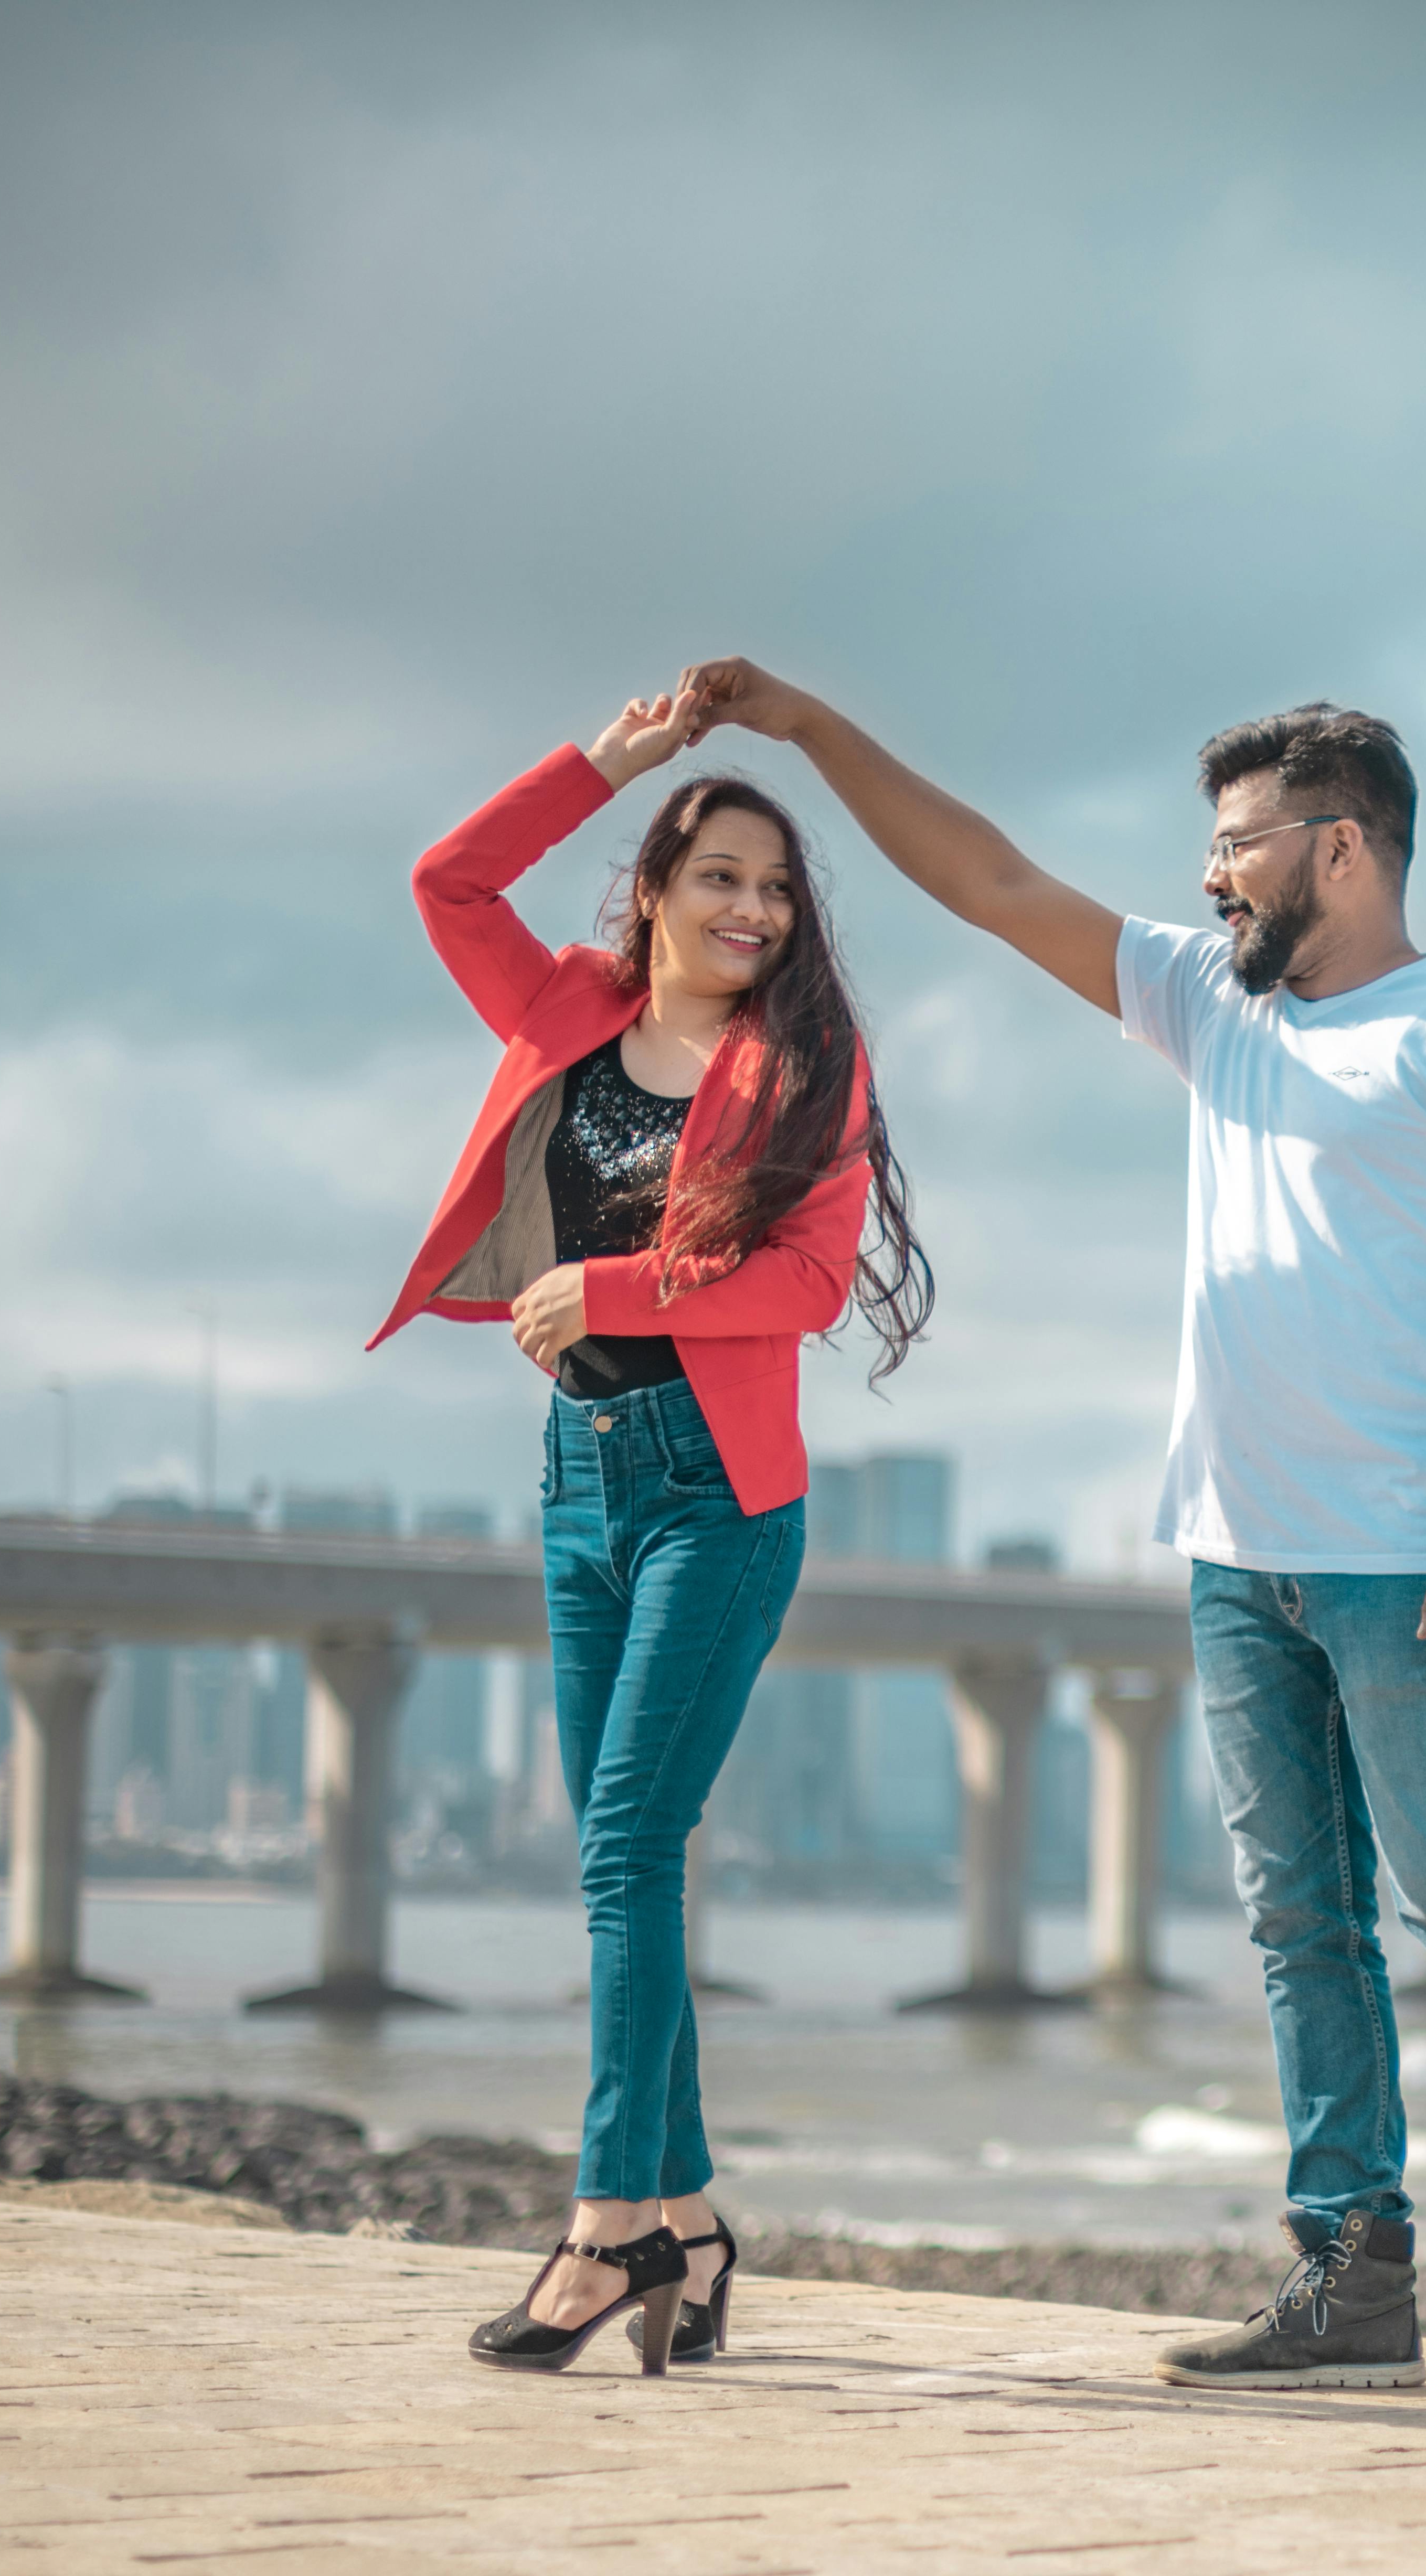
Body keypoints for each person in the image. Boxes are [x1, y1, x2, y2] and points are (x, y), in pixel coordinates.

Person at [674, 658, 1426, 2405]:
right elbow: (993, 883)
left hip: (1412, 1552)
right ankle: (1351, 2274)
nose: (1210, 876)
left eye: (1239, 843)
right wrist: (810, 728)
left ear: (1342, 847)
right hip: (1236, 1549)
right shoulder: (1214, 1005)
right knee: (1300, 1921)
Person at [373, 693, 931, 2374]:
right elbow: (448, 882)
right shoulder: (565, 1007)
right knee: (623, 1857)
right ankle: (687, 2220)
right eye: (721, 878)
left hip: (719, 1496)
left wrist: (606, 1288)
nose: (753, 911)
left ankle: (608, 2225)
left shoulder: (809, 1072)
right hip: (579, 1483)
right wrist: (608, 764)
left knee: (626, 1845)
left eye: (778, 889)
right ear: (657, 889)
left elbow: (808, 1286)